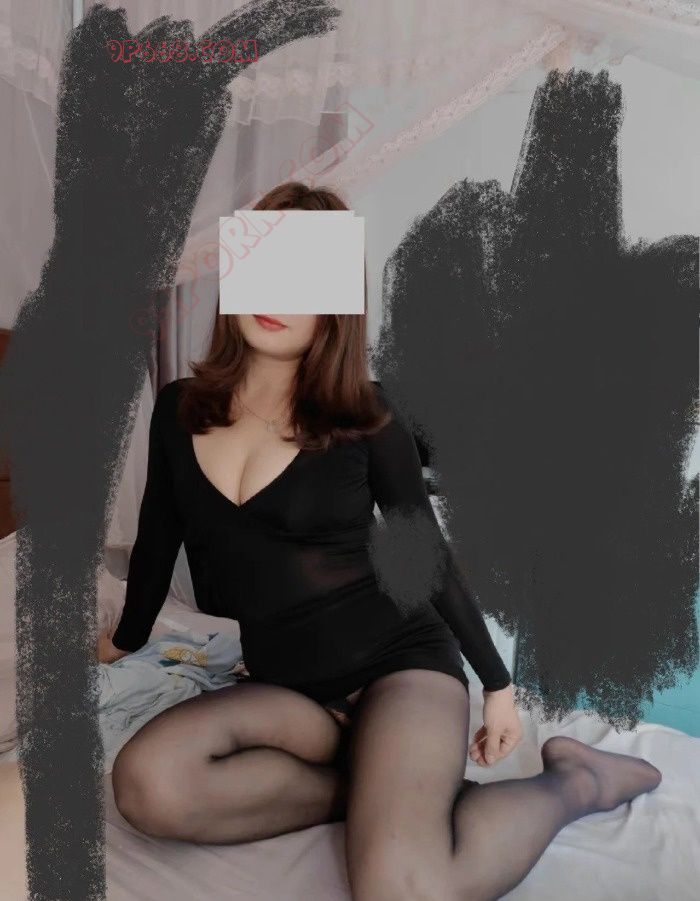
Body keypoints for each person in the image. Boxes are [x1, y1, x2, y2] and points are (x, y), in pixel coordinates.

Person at [99, 181, 662, 901]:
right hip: (291, 690)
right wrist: (126, 638)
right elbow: (157, 540)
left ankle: (577, 781)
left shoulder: (366, 414)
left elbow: (427, 556)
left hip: (399, 665)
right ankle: (378, 789)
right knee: (149, 784)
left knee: (400, 887)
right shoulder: (180, 408)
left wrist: (498, 685)